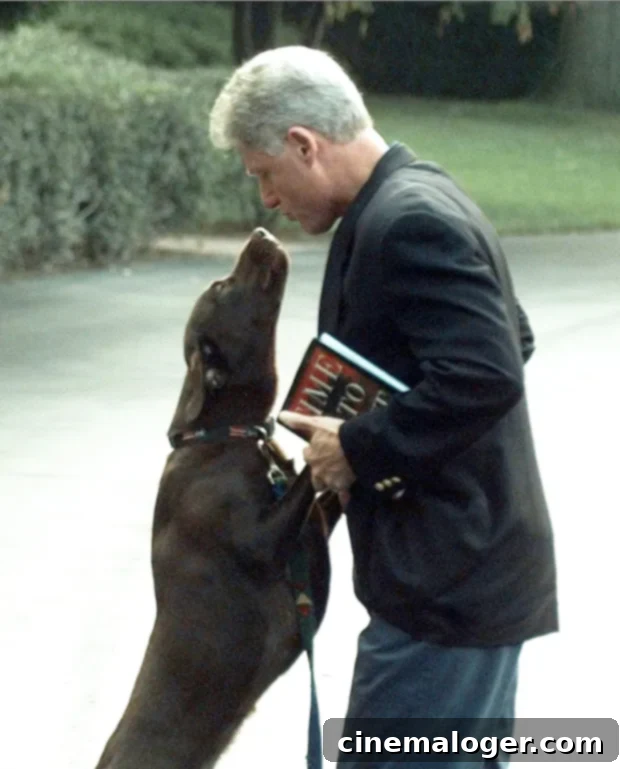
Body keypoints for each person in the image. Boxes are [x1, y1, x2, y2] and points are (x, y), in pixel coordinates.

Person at [209, 46, 558, 768]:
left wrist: (362, 446)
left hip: (450, 590)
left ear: (304, 144)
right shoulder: (414, 195)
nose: (267, 199)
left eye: (265, 173)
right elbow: (508, 337)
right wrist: (386, 423)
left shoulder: (407, 220)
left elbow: (487, 373)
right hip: (461, 579)